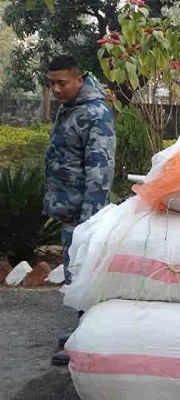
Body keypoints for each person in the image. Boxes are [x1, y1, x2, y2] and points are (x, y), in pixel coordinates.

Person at [44, 55, 116, 366]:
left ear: (79, 80)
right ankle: (82, 331)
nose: (56, 89)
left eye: (62, 83)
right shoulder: (69, 110)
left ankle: (86, 344)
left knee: (85, 276)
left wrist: (91, 222)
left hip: (84, 216)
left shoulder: (95, 114)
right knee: (76, 277)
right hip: (68, 211)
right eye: (52, 84)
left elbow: (100, 172)